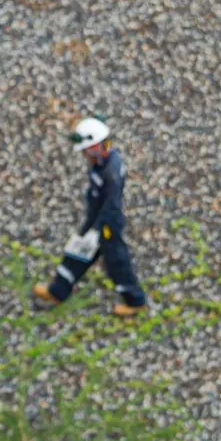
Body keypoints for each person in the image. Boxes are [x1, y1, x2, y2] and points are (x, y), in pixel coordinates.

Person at [34, 117, 148, 316]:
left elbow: (111, 205)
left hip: (107, 225)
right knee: (77, 253)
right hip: (95, 219)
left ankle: (135, 301)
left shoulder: (111, 171)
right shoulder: (100, 164)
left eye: (88, 149)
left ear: (98, 145)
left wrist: (97, 231)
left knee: (116, 263)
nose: (86, 154)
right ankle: (58, 290)